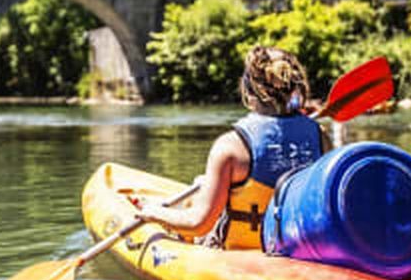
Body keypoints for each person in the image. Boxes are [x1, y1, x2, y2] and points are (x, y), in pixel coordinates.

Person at [137, 46, 331, 250]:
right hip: (298, 250)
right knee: (201, 184)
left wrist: (153, 212)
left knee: (197, 196)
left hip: (240, 253)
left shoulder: (231, 147)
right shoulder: (320, 136)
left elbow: (199, 224)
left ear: (247, 89)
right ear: (294, 87)